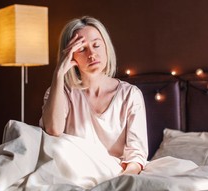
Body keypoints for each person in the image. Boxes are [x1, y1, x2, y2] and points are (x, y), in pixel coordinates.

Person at [40, 16, 148, 176]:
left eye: (96, 45)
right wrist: (59, 73)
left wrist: (122, 182)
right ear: (69, 56)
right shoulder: (60, 93)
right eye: (82, 49)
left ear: (106, 47)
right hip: (71, 172)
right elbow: (53, 130)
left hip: (115, 174)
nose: (92, 54)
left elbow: (136, 156)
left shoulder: (130, 95)